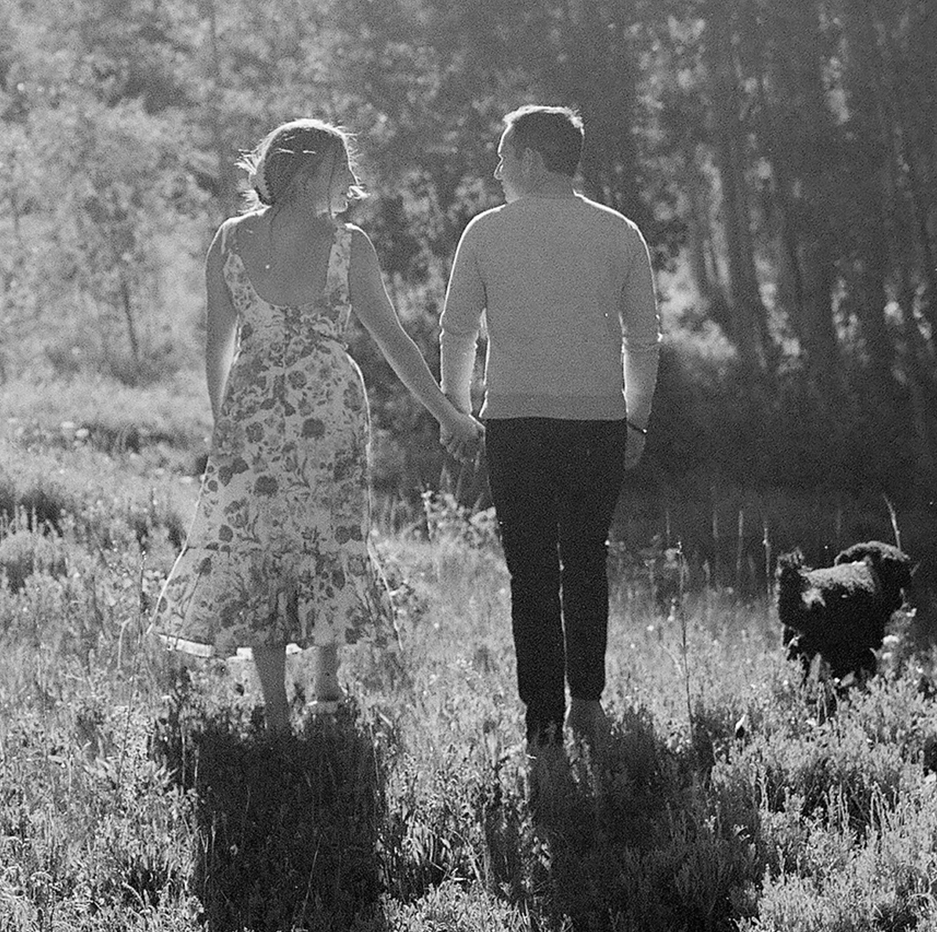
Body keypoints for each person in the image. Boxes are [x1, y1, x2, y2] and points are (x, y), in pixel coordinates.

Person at [156, 118, 484, 734]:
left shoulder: (229, 240)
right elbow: (392, 341)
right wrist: (449, 413)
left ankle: (279, 712)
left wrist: (223, 422)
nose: (349, 185)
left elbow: (216, 347)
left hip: (253, 409)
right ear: (310, 174)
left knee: (260, 548)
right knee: (327, 540)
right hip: (328, 405)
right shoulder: (347, 245)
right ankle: (326, 695)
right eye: (340, 172)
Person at [441, 105, 661, 749]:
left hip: (516, 425)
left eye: (504, 156)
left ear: (532, 160)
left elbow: (457, 333)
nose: (498, 167)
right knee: (586, 562)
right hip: (598, 423)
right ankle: (586, 705)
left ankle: (542, 725)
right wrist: (637, 418)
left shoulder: (485, 232)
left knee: (531, 572)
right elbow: (643, 338)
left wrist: (457, 409)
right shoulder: (620, 232)